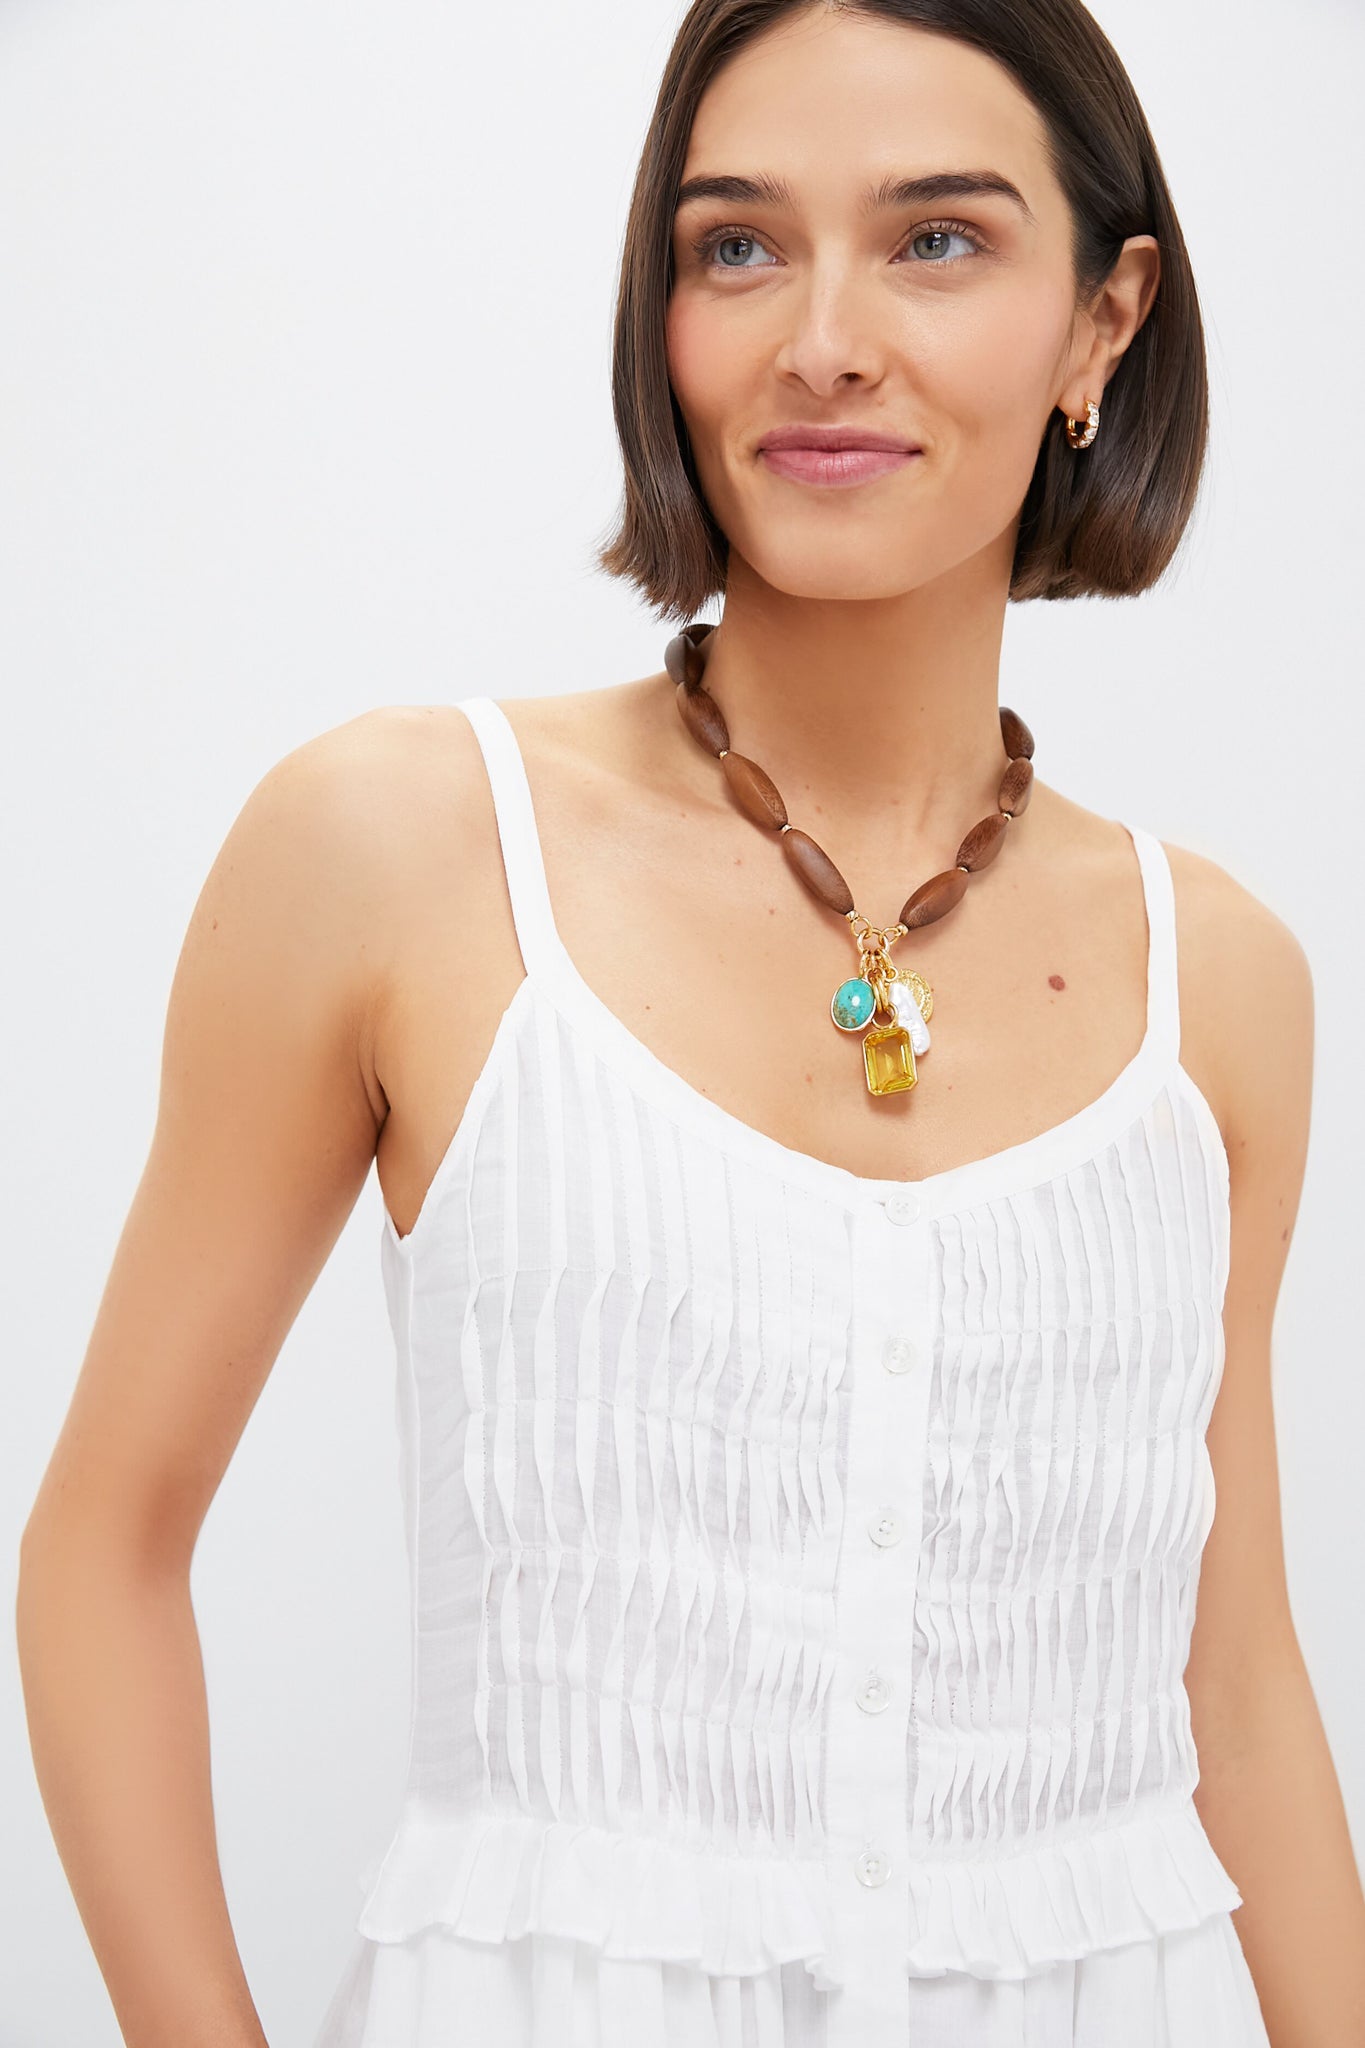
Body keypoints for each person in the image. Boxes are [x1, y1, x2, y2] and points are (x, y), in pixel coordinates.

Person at [17, 1, 1365, 2044]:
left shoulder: (1223, 979)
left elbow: (1231, 1677)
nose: (820, 339)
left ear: (1102, 323)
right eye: (735, 245)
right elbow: (102, 1551)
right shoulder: (398, 846)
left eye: (933, 239)